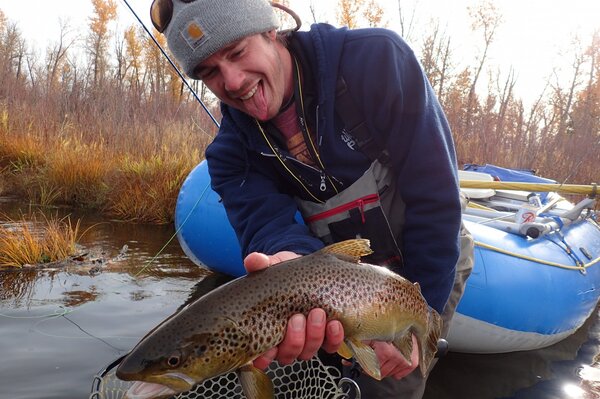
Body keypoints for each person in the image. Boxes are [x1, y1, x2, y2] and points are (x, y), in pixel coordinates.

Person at [153, 0, 474, 397]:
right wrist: (290, 264)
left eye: (237, 52)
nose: (232, 81)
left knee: (388, 388)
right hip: (324, 291)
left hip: (425, 265)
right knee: (333, 374)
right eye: (209, 72)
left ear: (272, 31)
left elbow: (437, 202)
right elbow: (271, 233)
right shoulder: (229, 157)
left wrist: (416, 315)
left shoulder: (377, 62)